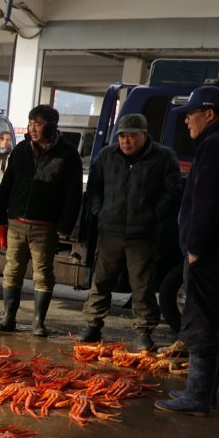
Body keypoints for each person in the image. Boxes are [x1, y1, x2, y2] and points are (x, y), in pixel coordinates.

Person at [155, 86, 219, 417]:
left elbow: (206, 203)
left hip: (213, 254)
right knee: (214, 323)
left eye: (191, 114)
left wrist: (195, 248)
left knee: (201, 324)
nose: (187, 120)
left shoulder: (215, 147)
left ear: (209, 114)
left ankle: (197, 396)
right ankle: (204, 394)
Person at [78, 114, 181, 351]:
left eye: (132, 136)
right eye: (122, 136)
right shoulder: (107, 155)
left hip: (143, 235)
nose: (126, 141)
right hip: (109, 231)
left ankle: (143, 332)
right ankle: (93, 325)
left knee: (142, 285)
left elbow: (172, 192)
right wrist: (99, 211)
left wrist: (153, 215)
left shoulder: (163, 157)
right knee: (101, 281)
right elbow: (94, 186)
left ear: (144, 135)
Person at [0, 104, 83, 336]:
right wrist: (1, 219)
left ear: (51, 126)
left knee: (42, 272)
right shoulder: (21, 150)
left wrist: (65, 226)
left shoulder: (68, 154)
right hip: (16, 223)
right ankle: (8, 318)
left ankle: (38, 322)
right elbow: (7, 185)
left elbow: (74, 194)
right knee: (12, 270)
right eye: (31, 123)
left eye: (38, 124)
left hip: (45, 226)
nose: (33, 128)